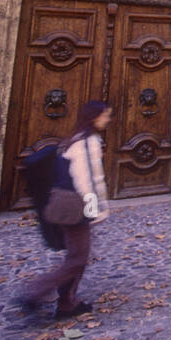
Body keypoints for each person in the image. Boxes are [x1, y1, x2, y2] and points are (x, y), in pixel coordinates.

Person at [18, 101, 111, 319]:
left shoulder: (73, 139)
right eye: (105, 115)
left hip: (63, 203)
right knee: (77, 258)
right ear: (94, 118)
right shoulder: (88, 143)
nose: (108, 119)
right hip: (75, 206)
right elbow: (86, 179)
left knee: (76, 255)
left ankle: (67, 303)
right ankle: (35, 293)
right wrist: (95, 210)